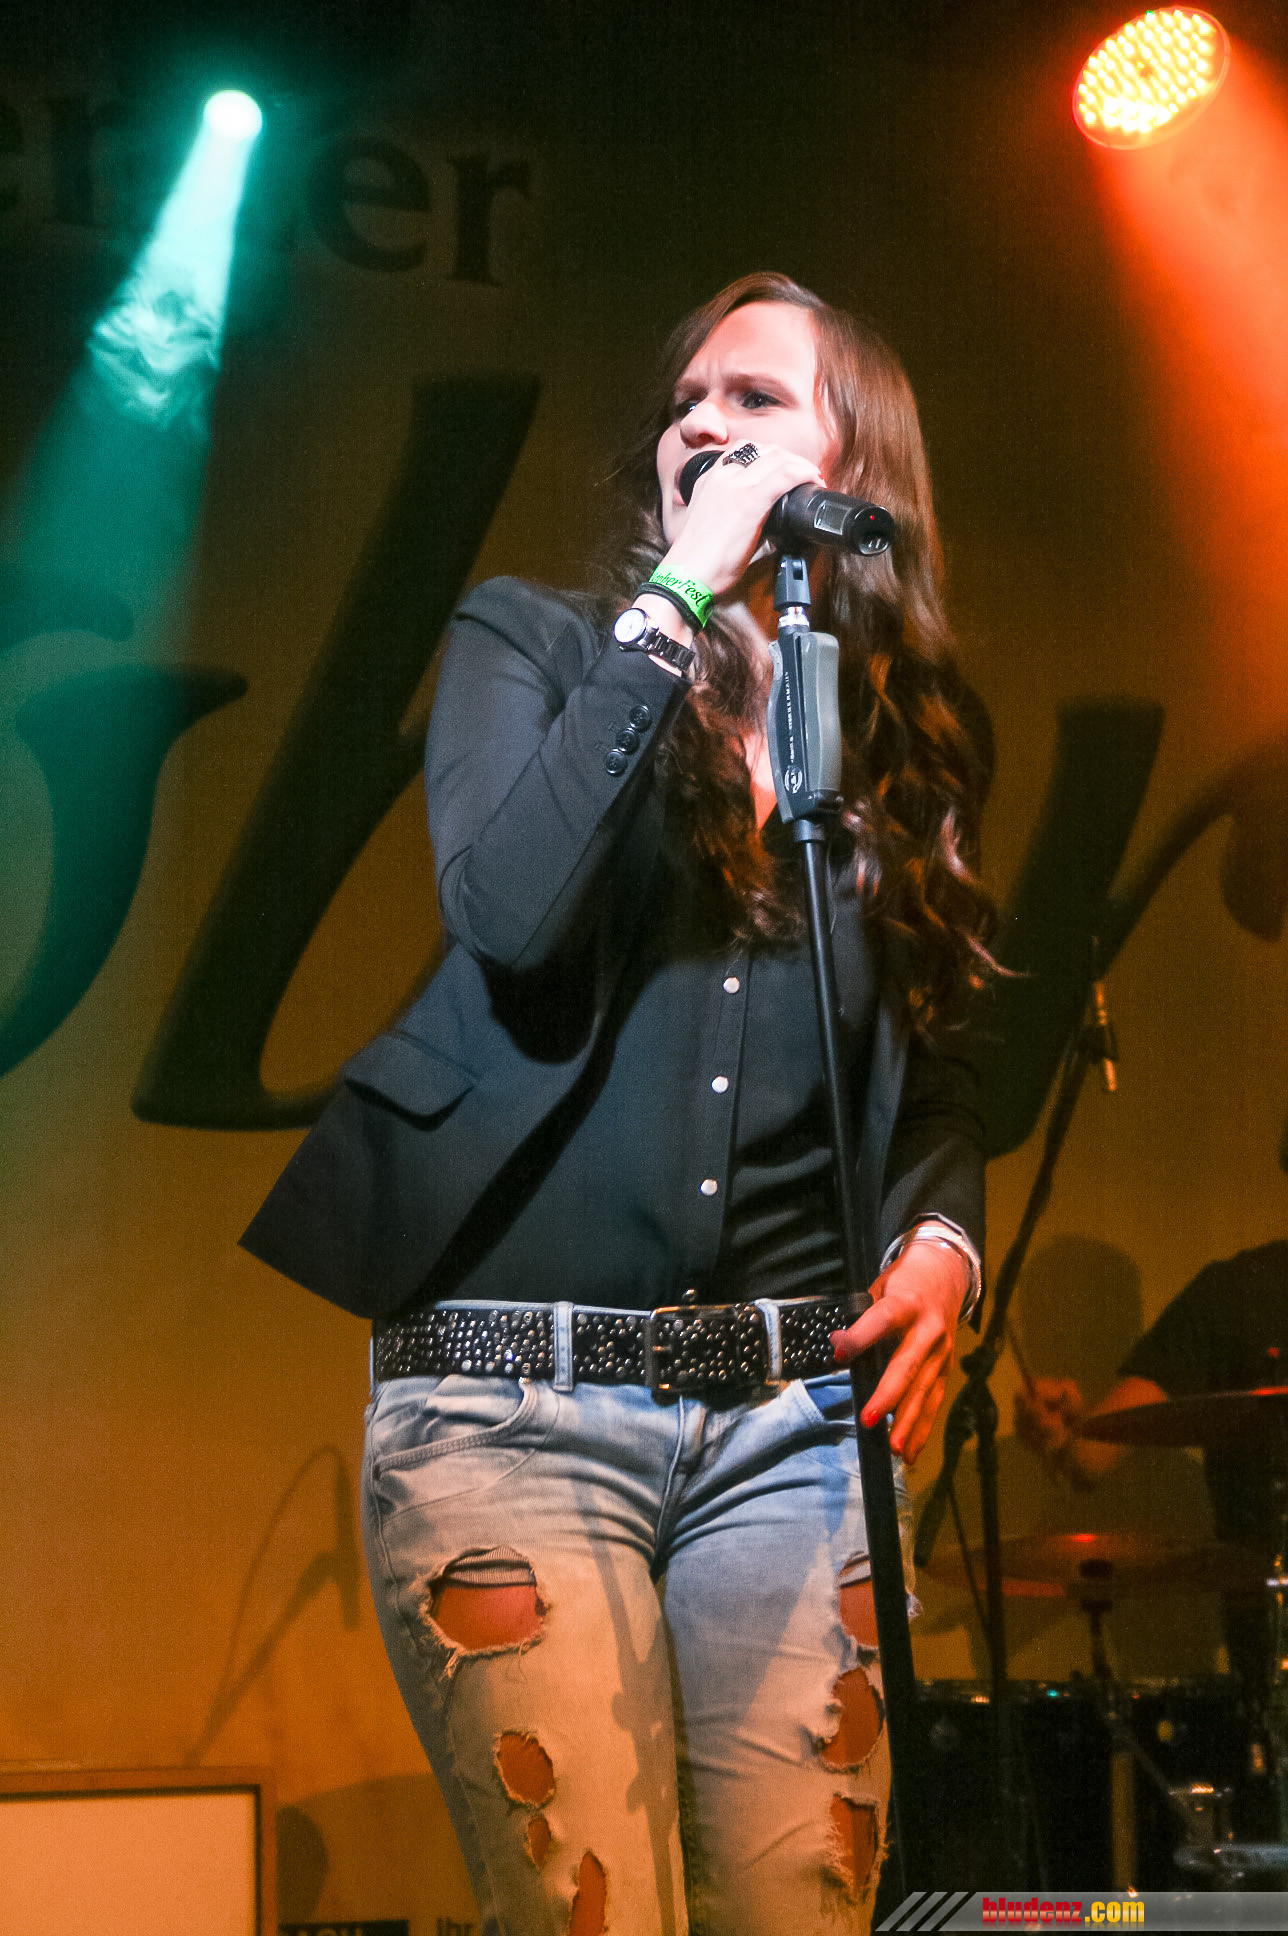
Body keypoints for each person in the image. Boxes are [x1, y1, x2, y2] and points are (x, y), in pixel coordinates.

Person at [242, 273, 995, 1936]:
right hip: (512, 1412)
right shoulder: (537, 642)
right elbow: (509, 910)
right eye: (686, 401)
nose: (703, 422)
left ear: (856, 466)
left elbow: (939, 1072)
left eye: (756, 399)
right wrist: (676, 603)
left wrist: (946, 1246)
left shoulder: (906, 746)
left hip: (794, 1428)